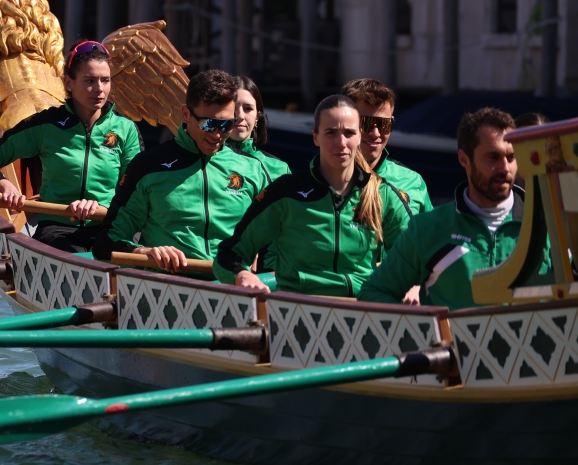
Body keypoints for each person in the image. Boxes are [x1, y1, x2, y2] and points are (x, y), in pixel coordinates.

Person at [214, 95, 411, 297]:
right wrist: (242, 275)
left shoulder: (383, 195)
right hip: (298, 308)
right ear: (315, 137)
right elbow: (228, 254)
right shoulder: (285, 193)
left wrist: (414, 287)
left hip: (361, 308)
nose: (341, 143)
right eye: (331, 133)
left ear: (359, 137)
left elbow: (417, 257)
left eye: (349, 133)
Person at [358, 107, 550, 311]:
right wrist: (423, 323)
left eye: (511, 157)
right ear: (464, 159)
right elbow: (372, 294)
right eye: (493, 157)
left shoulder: (548, 225)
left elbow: (573, 291)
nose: (505, 168)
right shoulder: (427, 229)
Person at [0, 40, 143, 252]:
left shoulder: (126, 129)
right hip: (57, 228)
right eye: (89, 81)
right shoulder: (46, 125)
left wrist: (103, 206)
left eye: (105, 80)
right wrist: (4, 184)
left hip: (109, 226)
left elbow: (136, 188)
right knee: (74, 255)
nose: (99, 89)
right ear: (69, 83)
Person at [93, 70, 270, 273]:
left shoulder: (253, 169)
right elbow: (105, 242)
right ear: (185, 115)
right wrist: (143, 252)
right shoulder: (147, 165)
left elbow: (278, 241)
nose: (217, 134)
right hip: (168, 285)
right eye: (208, 124)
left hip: (234, 286)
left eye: (226, 124)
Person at [341, 78, 432, 214]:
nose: (375, 133)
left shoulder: (413, 182)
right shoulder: (327, 181)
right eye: (365, 123)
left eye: (384, 124)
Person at [229, 76, 290, 181]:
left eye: (248, 108)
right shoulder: (205, 162)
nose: (240, 116)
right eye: (233, 108)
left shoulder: (279, 170)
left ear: (257, 117)